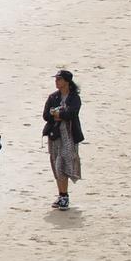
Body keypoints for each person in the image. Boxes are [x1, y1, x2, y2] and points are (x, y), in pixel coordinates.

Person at [42, 70, 83, 209]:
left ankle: (64, 196)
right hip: (55, 135)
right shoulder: (53, 97)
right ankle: (62, 195)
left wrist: (59, 113)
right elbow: (46, 115)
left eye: (59, 79)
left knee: (65, 163)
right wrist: (57, 115)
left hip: (69, 136)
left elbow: (72, 113)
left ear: (66, 81)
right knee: (57, 164)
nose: (56, 81)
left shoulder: (74, 97)